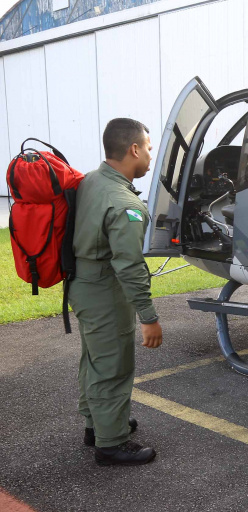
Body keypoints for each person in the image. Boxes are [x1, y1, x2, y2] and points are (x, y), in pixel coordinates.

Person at [70, 118, 162, 466]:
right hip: (106, 291)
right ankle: (111, 444)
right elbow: (130, 267)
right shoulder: (126, 204)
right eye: (149, 148)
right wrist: (149, 318)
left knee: (94, 357)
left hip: (83, 285)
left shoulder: (91, 181)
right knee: (113, 365)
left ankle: (98, 423)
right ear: (134, 149)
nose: (151, 155)